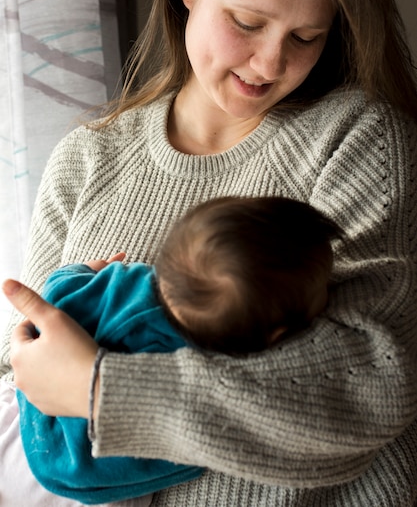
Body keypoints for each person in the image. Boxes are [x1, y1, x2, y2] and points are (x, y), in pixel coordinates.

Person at [2, 0, 417, 505]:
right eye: (247, 23)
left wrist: (101, 386)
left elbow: (367, 388)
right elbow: (25, 375)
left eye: (307, 37)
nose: (271, 63)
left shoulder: (356, 141)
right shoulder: (88, 158)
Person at [17, 195, 340, 504]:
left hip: (25, 407)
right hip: (70, 466)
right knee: (207, 449)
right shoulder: (201, 365)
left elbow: (58, 285)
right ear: (276, 336)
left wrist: (85, 272)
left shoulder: (121, 280)